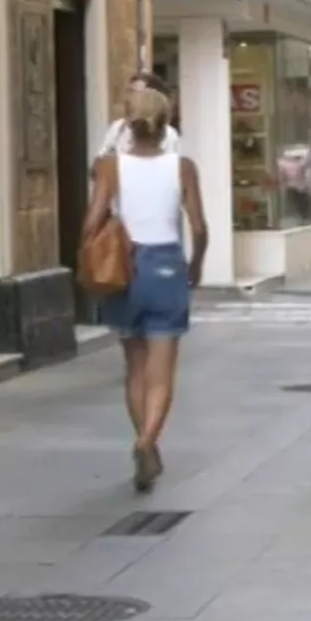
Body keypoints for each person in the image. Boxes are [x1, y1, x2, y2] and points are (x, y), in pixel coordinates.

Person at [81, 85, 208, 492]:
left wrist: (91, 258)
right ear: (166, 122)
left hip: (126, 266)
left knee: (134, 365)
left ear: (127, 123)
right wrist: (196, 264)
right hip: (167, 265)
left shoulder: (109, 166)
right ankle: (148, 439)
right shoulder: (182, 167)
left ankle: (143, 441)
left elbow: (91, 222)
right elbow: (199, 226)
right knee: (162, 370)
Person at [96, 72, 181, 157]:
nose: (128, 98)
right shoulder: (117, 128)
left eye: (135, 93)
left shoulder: (169, 134)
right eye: (128, 92)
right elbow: (102, 157)